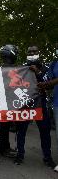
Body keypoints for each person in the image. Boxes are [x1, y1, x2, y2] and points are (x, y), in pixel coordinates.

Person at [14, 46, 56, 168]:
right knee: (21, 131)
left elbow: (49, 84)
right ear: (26, 54)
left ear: (39, 53)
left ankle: (47, 157)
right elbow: (13, 83)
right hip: (25, 104)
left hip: (41, 104)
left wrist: (37, 71)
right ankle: (20, 155)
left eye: (34, 52)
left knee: (45, 132)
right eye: (29, 52)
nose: (32, 53)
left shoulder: (46, 67)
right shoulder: (21, 68)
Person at [38, 43, 58, 171]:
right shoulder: (54, 63)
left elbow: (52, 81)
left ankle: (48, 157)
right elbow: (49, 82)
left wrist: (47, 83)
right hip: (56, 102)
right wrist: (42, 85)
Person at [0, 45, 18, 158]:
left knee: (5, 127)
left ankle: (5, 147)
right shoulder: (13, 68)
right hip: (4, 102)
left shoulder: (17, 68)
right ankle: (3, 148)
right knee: (4, 127)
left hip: (10, 101)